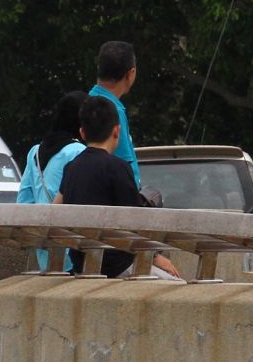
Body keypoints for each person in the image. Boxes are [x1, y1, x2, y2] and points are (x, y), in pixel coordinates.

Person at [56, 96, 179, 278]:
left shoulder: (71, 168)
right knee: (178, 287)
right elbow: (134, 223)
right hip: (117, 266)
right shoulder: (118, 167)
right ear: (117, 131)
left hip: (81, 266)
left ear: (82, 133)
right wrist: (156, 257)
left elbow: (54, 209)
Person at [18, 91, 87, 271]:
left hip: (44, 251)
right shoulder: (78, 152)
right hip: (73, 251)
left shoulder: (35, 152)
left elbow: (23, 202)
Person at [89, 40, 140, 187]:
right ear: (131, 74)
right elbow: (124, 165)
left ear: (99, 68)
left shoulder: (88, 101)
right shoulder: (112, 110)